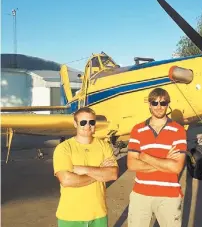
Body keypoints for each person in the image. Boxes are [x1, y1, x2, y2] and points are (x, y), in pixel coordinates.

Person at [127, 87, 187, 227]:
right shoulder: (137, 129)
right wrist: (165, 162)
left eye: (163, 103)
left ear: (168, 104)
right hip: (140, 194)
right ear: (149, 104)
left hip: (169, 196)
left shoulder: (178, 130)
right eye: (155, 103)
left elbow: (176, 167)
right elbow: (131, 164)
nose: (159, 107)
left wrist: (145, 157)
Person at [53, 107, 119, 227]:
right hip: (70, 216)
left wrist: (83, 169)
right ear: (75, 124)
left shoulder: (104, 146)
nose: (87, 126)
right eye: (83, 122)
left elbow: (113, 174)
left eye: (91, 122)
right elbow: (67, 180)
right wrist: (99, 172)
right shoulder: (63, 148)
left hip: (98, 214)